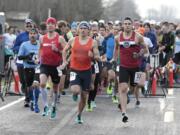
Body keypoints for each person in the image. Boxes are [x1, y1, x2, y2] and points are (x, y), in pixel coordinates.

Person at [62, 21, 100, 124]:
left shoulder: (93, 42)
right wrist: (65, 61)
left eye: (85, 28)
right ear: (78, 30)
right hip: (75, 69)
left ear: (88, 30)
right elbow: (64, 50)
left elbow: (98, 57)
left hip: (87, 71)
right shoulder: (73, 40)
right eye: (81, 28)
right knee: (75, 90)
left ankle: (79, 115)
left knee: (84, 96)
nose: (83, 30)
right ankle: (75, 93)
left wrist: (93, 56)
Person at [115, 17, 148, 123]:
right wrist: (114, 60)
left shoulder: (138, 37)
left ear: (132, 25)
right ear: (123, 25)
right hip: (123, 66)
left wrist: (138, 54)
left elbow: (145, 49)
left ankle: (129, 94)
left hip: (135, 67)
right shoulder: (118, 37)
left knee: (136, 88)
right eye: (125, 23)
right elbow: (116, 49)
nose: (127, 25)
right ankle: (124, 113)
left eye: (129, 23)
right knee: (123, 88)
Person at [39, 17, 67, 119]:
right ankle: (46, 105)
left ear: (55, 26)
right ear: (46, 26)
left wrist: (58, 50)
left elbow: (67, 50)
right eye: (48, 23)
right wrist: (38, 58)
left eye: (52, 23)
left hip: (56, 66)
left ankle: (54, 106)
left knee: (55, 88)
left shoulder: (60, 38)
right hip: (44, 65)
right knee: (42, 83)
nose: (50, 25)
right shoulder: (42, 38)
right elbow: (40, 49)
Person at [18, 28, 40, 113]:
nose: (32, 35)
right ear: (29, 35)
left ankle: (35, 102)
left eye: (34, 33)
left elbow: (44, 55)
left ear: (37, 35)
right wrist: (27, 56)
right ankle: (29, 99)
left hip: (37, 68)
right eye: (31, 33)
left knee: (36, 84)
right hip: (28, 67)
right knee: (29, 85)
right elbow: (19, 57)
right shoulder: (24, 45)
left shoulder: (40, 44)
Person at [13, 18, 34, 107]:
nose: (29, 27)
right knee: (23, 81)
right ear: (25, 26)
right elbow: (14, 47)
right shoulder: (20, 36)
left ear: (33, 26)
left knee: (29, 81)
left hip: (31, 63)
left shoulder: (36, 35)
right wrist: (22, 49)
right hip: (21, 61)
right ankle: (26, 92)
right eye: (27, 25)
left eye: (30, 25)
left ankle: (27, 98)